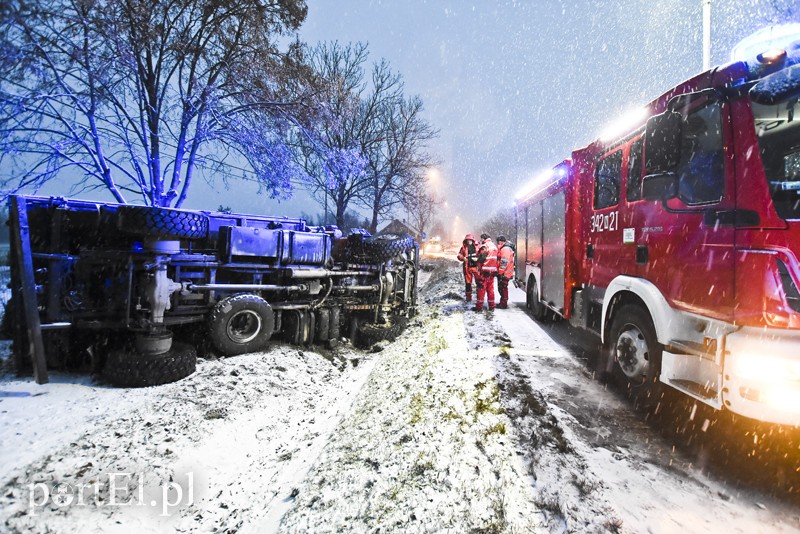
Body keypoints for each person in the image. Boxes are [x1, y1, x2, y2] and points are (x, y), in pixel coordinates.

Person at [474, 233, 498, 312]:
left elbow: (482, 258)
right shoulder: (494, 246)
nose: (480, 240)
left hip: (485, 271)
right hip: (492, 271)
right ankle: (491, 306)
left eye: (481, 239)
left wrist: (477, 260)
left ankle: (479, 307)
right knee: (490, 289)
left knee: (481, 289)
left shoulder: (485, 246)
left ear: (484, 238)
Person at [456, 233, 479, 302]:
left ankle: (479, 297)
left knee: (479, 283)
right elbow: (459, 255)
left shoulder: (477, 247)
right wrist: (463, 258)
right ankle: (468, 298)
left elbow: (482, 255)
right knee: (468, 284)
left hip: (476, 267)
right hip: (467, 267)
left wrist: (478, 259)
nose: (469, 241)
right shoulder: (463, 247)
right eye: (467, 240)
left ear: (472, 240)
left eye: (470, 240)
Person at [496, 236, 515, 309]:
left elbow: (504, 262)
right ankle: (503, 302)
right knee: (503, 288)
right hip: (506, 272)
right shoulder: (506, 248)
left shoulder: (505, 249)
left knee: (503, 288)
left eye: (498, 242)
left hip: (504, 273)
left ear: (500, 241)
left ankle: (503, 304)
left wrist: (500, 272)